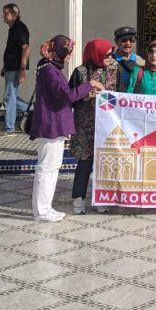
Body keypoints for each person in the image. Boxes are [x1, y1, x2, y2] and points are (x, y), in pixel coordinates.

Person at [28, 36, 102, 222]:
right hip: (51, 125)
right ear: (59, 52)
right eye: (68, 52)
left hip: (54, 124)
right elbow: (66, 95)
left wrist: (86, 92)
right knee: (47, 168)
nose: (69, 56)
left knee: (52, 167)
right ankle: (42, 210)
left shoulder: (49, 67)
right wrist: (89, 84)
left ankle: (45, 207)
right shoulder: (50, 71)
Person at [68, 38, 119, 215]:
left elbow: (120, 95)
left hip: (107, 124)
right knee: (85, 163)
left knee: (103, 163)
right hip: (85, 125)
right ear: (95, 54)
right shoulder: (80, 72)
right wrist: (85, 95)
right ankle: (79, 199)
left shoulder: (114, 70)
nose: (109, 58)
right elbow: (69, 97)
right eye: (106, 55)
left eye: (111, 55)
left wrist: (105, 94)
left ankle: (101, 199)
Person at [0, 3, 30, 136]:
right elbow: (11, 49)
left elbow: (25, 48)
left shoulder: (20, 29)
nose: (3, 16)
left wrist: (22, 69)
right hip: (11, 67)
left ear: (14, 15)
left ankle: (9, 128)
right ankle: (32, 109)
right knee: (9, 97)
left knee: (10, 97)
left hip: (16, 68)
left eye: (6, 13)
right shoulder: (12, 29)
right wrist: (5, 65)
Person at [112, 25, 144, 92]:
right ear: (116, 41)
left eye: (132, 40)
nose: (128, 43)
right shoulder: (110, 61)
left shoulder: (141, 62)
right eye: (124, 40)